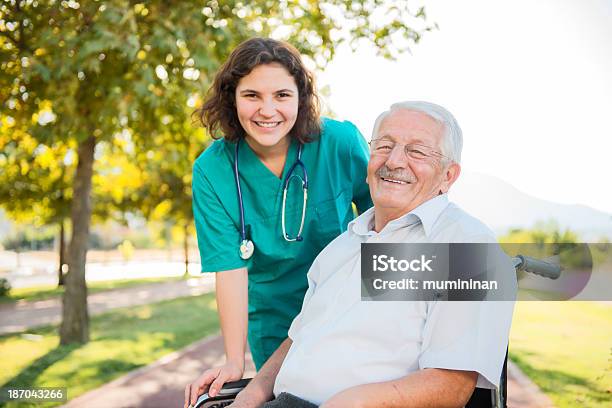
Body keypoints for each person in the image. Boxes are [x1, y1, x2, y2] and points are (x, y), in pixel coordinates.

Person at [227, 101, 516, 407]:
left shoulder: (466, 245)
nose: (394, 161)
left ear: (448, 176)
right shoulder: (342, 247)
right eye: (384, 146)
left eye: (417, 151)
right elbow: (299, 338)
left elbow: (449, 387)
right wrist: (253, 392)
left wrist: (347, 403)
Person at [185, 37, 373, 407]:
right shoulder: (212, 170)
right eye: (251, 95)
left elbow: (387, 223)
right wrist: (233, 361)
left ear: (301, 98)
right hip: (275, 321)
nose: (267, 110)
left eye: (282, 95)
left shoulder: (340, 143)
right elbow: (230, 269)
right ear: (231, 98)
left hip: (347, 308)